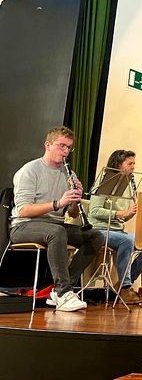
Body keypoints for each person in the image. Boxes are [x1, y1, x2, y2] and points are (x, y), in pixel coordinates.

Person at [10, 126, 103, 311]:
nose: (66, 151)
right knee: (57, 231)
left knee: (95, 236)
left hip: (55, 226)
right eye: (62, 146)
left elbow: (73, 214)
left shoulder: (69, 174)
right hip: (24, 226)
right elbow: (23, 210)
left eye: (69, 147)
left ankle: (59, 289)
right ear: (48, 145)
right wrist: (58, 203)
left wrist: (75, 199)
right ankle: (63, 293)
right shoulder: (30, 170)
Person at [87, 150, 142, 304]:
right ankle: (125, 287)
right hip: (99, 229)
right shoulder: (104, 182)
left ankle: (122, 284)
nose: (133, 167)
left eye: (134, 164)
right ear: (118, 165)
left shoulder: (128, 185)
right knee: (127, 240)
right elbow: (95, 211)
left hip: (117, 229)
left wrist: (132, 212)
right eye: (130, 164)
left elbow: (123, 217)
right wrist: (122, 212)